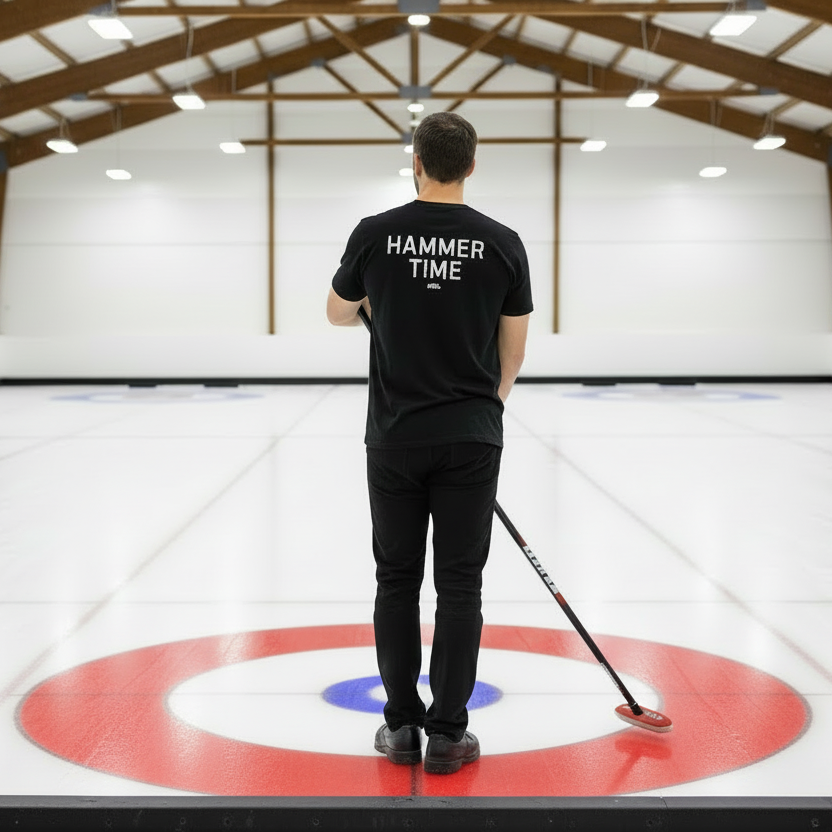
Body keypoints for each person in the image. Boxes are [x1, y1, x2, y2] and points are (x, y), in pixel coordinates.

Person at [326, 111, 532, 774]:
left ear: (415, 161)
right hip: (472, 436)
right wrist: (483, 414)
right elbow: (513, 350)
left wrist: (379, 302)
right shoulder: (502, 243)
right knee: (460, 585)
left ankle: (402, 729)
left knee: (397, 580)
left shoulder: (375, 235)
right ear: (471, 166)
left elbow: (335, 311)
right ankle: (447, 735)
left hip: (394, 436)